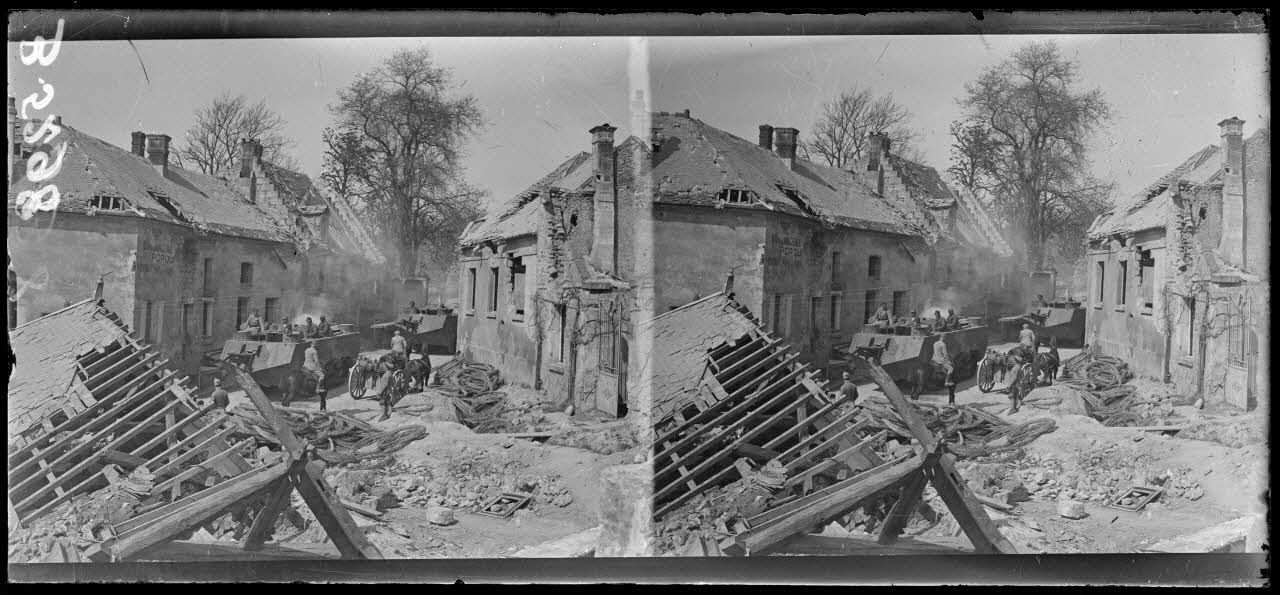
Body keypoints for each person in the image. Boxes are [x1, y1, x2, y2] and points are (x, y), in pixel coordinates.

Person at [302, 341, 327, 411]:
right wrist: (320, 368)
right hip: (311, 367)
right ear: (316, 346)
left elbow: (307, 358)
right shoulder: (315, 351)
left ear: (311, 345)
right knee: (322, 376)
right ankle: (318, 388)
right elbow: (316, 361)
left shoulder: (306, 350)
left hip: (305, 365)